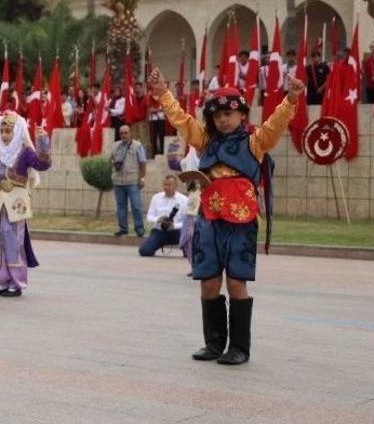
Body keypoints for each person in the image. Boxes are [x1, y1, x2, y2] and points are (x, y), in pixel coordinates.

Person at [150, 67, 304, 366]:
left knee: (236, 283)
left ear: (242, 115)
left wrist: (291, 99)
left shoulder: (255, 142)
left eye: (229, 114)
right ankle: (213, 343)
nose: (223, 119)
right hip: (209, 217)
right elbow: (182, 120)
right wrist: (164, 94)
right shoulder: (206, 141)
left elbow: (276, 124)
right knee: (208, 282)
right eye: (217, 114)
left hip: (242, 220)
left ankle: (239, 348)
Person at [0, 111, 51, 297]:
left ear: (18, 132)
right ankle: (1, 282)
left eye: (9, 131)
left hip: (16, 203)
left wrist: (43, 141)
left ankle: (16, 283)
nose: (5, 135)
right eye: (3, 131)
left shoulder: (25, 152)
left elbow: (43, 164)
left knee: (12, 241)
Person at [138, 174, 189, 257]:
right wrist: (158, 219)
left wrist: (174, 226)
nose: (167, 187)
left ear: (176, 186)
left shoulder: (184, 200)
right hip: (159, 231)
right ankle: (156, 243)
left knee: (190, 253)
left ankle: (185, 249)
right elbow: (149, 217)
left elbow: (187, 221)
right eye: (165, 184)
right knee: (144, 251)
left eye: (169, 185)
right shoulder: (156, 197)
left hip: (177, 231)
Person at [110, 124, 146, 238]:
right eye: (121, 133)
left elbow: (143, 163)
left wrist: (142, 178)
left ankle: (139, 229)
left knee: (136, 206)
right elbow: (110, 159)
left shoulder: (137, 146)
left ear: (130, 133)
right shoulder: (115, 146)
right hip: (118, 181)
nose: (124, 135)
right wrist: (113, 164)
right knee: (121, 207)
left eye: (126, 133)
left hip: (132, 181)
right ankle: (123, 229)